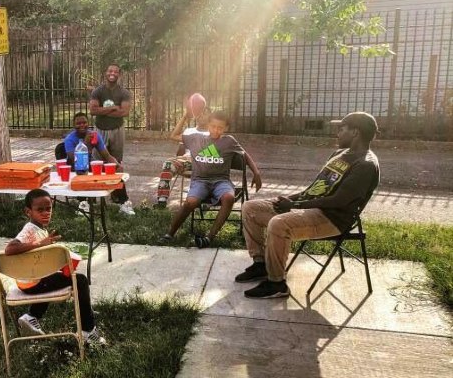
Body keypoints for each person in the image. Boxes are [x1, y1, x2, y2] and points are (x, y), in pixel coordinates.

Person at [237, 112, 380, 299]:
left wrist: (295, 204)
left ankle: (277, 283)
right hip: (313, 208)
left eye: (341, 129)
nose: (337, 133)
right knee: (250, 208)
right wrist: (289, 199)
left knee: (279, 224)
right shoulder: (340, 153)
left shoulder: (365, 165)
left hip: (332, 219)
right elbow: (316, 188)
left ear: (355, 133)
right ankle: (261, 264)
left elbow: (338, 200)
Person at [6, 189, 106, 346]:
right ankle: (88, 330)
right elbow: (10, 249)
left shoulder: (39, 228)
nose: (46, 213)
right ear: (28, 211)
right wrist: (40, 243)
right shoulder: (29, 229)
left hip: (33, 279)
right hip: (32, 282)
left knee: (59, 276)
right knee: (80, 280)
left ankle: (34, 316)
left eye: (49, 208)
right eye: (40, 210)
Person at [160, 111, 263, 247]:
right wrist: (185, 117)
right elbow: (173, 136)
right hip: (200, 181)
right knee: (190, 202)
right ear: (208, 125)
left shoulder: (229, 141)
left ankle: (209, 237)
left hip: (221, 181)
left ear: (226, 128)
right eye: (213, 126)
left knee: (228, 198)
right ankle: (169, 234)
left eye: (220, 127)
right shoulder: (196, 138)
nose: (216, 130)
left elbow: (245, 156)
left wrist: (256, 173)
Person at [88, 64, 135, 215]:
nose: (112, 73)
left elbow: (125, 112)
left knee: (116, 164)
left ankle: (119, 198)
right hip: (100, 130)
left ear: (119, 74)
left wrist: (104, 111)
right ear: (105, 73)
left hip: (117, 131)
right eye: (110, 71)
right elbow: (93, 110)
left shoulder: (124, 93)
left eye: (115, 71)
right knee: (96, 164)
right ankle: (91, 200)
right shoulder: (98, 91)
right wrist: (113, 108)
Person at [157, 93, 210, 206]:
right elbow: (173, 136)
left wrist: (198, 155)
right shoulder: (189, 132)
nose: (202, 116)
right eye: (200, 113)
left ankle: (206, 200)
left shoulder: (212, 133)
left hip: (204, 163)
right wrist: (185, 116)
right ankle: (162, 201)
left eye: (205, 113)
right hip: (187, 162)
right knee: (168, 164)